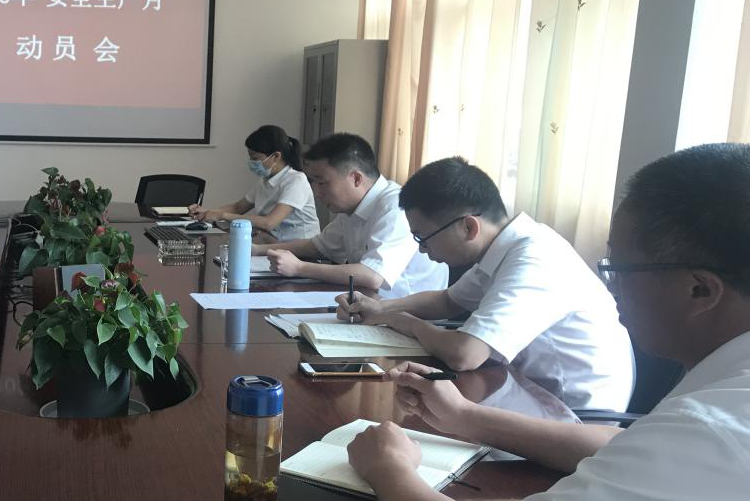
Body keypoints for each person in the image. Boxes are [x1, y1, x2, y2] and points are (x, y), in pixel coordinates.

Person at [351, 143, 750, 501]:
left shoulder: (715, 434)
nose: (609, 289)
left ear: (700, 289)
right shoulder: (723, 394)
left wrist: (391, 468)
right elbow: (627, 449)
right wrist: (465, 417)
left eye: (616, 269)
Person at [338, 156, 633, 411]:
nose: (423, 250)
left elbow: (464, 354)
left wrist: (404, 321)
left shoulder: (534, 259)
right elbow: (447, 301)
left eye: (423, 238)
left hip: (574, 413)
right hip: (523, 387)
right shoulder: (505, 246)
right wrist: (379, 308)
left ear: (469, 227)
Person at [251, 133, 447, 297]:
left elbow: (372, 276)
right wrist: (259, 250)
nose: (316, 192)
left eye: (322, 182)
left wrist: (299, 268)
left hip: (407, 314)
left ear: (356, 179)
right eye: (313, 183)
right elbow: (319, 247)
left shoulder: (395, 206)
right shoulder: (351, 208)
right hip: (371, 306)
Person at [190, 124, 320, 241]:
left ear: (276, 156)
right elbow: (238, 207)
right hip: (274, 244)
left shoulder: (296, 180)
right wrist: (207, 212)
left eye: (255, 158)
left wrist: (222, 215)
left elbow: (269, 223)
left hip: (300, 251)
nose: (252, 162)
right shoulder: (265, 179)